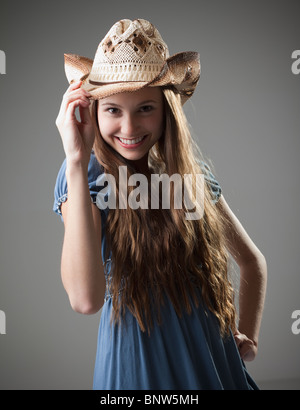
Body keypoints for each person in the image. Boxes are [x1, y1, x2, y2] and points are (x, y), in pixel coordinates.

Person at [53, 19, 267, 390]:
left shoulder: (190, 174)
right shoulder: (84, 174)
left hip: (214, 362)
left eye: (145, 108)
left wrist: (247, 335)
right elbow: (86, 299)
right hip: (138, 366)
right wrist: (74, 160)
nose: (130, 127)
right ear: (94, 111)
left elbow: (252, 262)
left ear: (168, 110)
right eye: (113, 110)